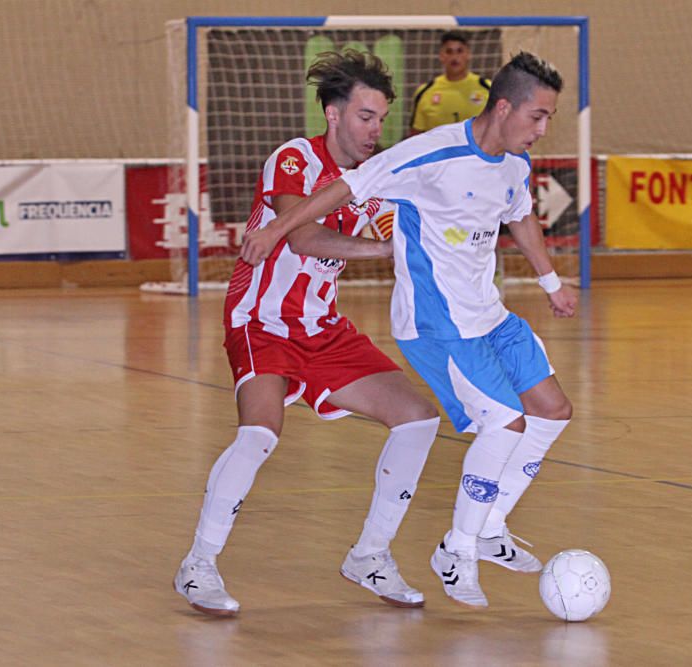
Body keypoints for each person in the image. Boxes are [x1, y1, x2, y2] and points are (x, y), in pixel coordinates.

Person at [241, 52, 576, 609]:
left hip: (488, 313)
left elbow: (519, 216)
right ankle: (458, 550)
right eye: (537, 117)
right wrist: (278, 227)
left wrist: (550, 283)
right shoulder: (431, 152)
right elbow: (348, 187)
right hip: (435, 321)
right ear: (504, 107)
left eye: (549, 119)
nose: (543, 130)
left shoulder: (514, 164)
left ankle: (489, 527)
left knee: (552, 410)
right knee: (505, 425)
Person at [174, 50, 441, 617]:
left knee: (418, 418)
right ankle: (198, 564)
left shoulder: (375, 179)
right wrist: (385, 249)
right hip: (261, 320)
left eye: (381, 118)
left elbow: (407, 218)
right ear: (333, 114)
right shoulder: (295, 158)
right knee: (259, 435)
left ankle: (370, 555)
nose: (376, 129)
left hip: (323, 327)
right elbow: (303, 238)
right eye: (366, 116)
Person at [409, 31, 490, 136]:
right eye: (449, 51)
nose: (454, 57)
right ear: (441, 56)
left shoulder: (487, 88)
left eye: (459, 51)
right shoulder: (425, 91)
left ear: (468, 55)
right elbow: (416, 133)